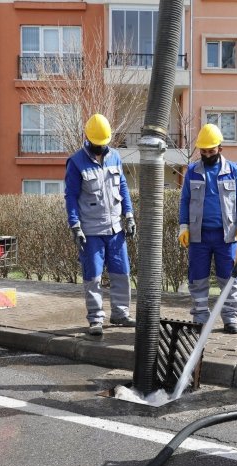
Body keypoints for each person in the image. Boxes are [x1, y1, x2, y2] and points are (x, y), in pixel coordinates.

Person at [64, 114, 137, 336]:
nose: (101, 148)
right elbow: (71, 197)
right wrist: (75, 226)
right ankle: (96, 319)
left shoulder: (115, 157)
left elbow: (123, 187)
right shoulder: (76, 162)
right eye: (98, 144)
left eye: (104, 143)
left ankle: (120, 314)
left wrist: (129, 214)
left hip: (115, 229)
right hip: (91, 231)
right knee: (93, 276)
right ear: (88, 139)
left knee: (121, 273)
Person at [178, 124, 237, 334]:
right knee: (197, 277)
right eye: (204, 151)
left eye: (211, 151)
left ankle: (230, 318)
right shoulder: (192, 171)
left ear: (220, 148)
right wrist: (184, 227)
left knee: (229, 279)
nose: (207, 155)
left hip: (226, 236)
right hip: (199, 235)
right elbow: (185, 200)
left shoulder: (232, 171)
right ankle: (200, 317)